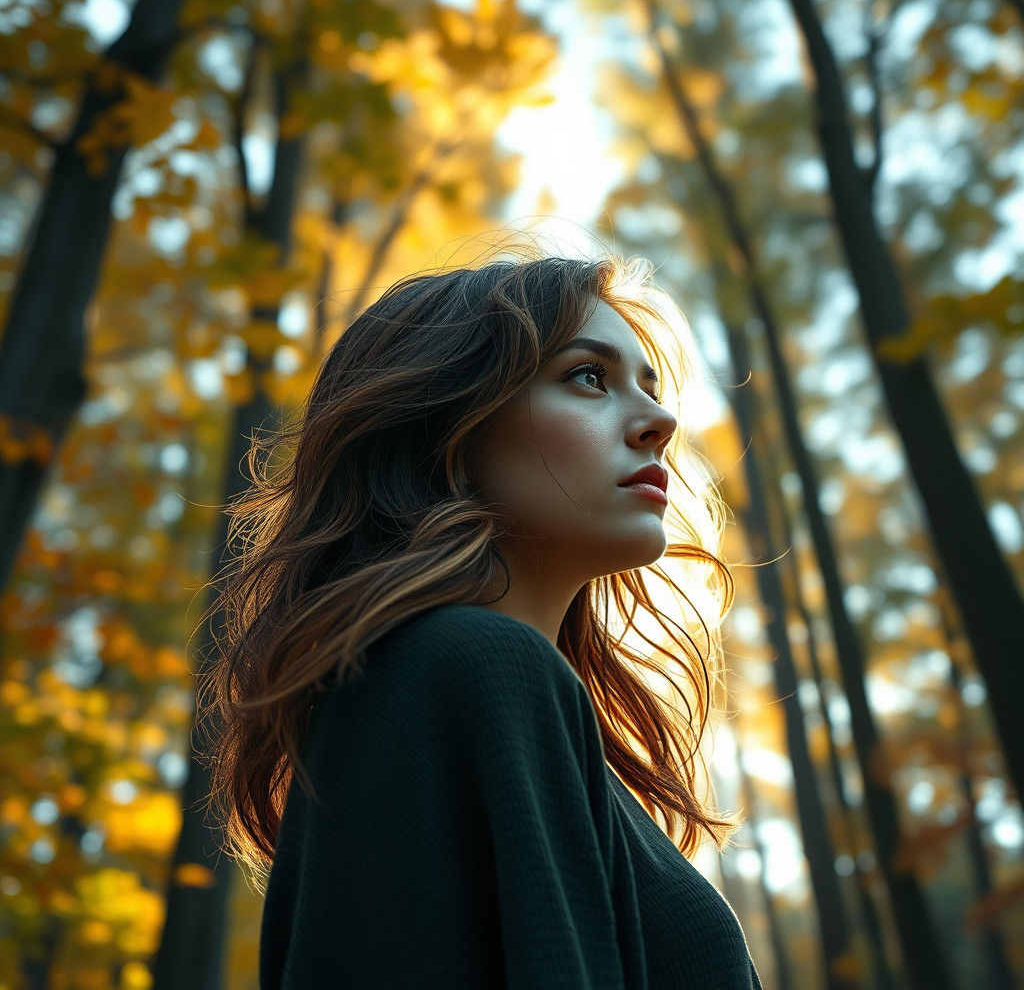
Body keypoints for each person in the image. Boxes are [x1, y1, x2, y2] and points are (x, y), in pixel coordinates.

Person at [197, 243, 764, 988]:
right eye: (588, 377)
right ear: (450, 431)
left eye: (650, 386)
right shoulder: (470, 665)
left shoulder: (461, 685)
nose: (660, 420)